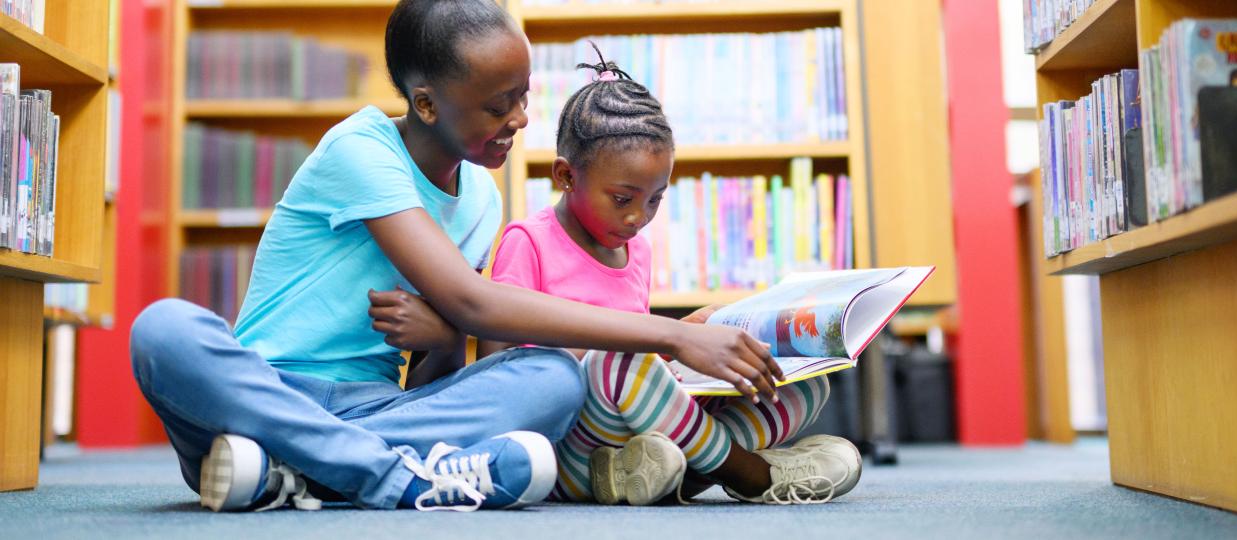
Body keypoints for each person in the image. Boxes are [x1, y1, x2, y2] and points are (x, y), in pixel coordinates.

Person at [129, 0, 779, 513]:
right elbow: (476, 302)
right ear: (427, 104)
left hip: (372, 411)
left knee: (551, 377)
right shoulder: (360, 149)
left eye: (523, 96)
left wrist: (446, 335)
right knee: (163, 331)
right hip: (260, 399)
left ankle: (289, 476)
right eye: (499, 105)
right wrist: (672, 336)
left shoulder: (480, 198)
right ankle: (387, 479)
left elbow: (436, 371)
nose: (521, 118)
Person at [377, 48, 861, 507]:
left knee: (799, 379)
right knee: (623, 365)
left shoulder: (637, 249)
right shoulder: (528, 240)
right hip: (568, 444)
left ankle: (670, 468)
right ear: (566, 176)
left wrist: (692, 331)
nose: (638, 218)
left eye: (655, 199)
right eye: (623, 198)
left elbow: (639, 329)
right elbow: (503, 367)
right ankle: (746, 473)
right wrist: (641, 350)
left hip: (637, 431)